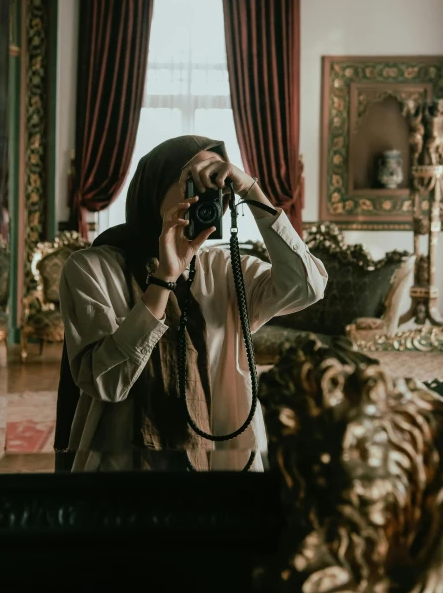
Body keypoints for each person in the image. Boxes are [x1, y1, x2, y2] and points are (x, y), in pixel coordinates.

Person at [56, 135, 328, 472]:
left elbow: (308, 286)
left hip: (222, 456)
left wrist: (251, 191)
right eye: (193, 182)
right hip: (124, 463)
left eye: (218, 184)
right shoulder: (90, 268)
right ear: (154, 188)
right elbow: (106, 382)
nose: (207, 194)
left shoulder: (225, 269)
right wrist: (164, 278)